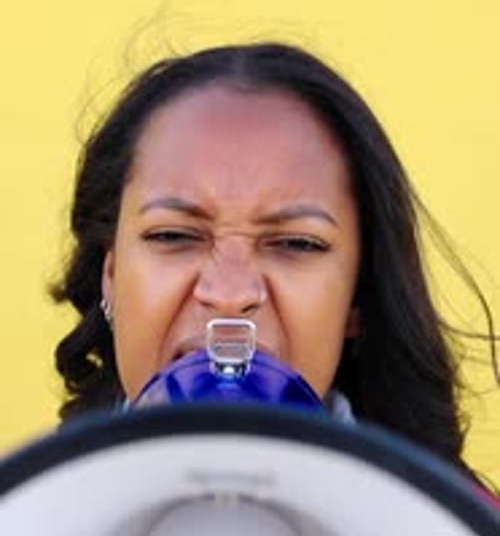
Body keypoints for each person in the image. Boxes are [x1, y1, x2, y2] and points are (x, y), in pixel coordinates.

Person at [51, 42, 498, 481]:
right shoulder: (17, 531)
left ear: (358, 297)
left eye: (297, 244)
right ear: (110, 277)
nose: (230, 297)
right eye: (173, 235)